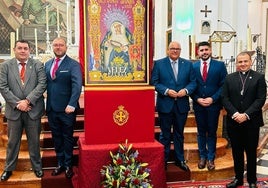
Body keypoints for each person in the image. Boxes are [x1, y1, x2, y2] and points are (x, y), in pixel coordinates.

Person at [0, 40, 47, 181]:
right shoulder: (5, 66)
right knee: (12, 142)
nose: (22, 51)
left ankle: (37, 167)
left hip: (33, 110)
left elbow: (42, 84)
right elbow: (3, 86)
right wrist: (18, 103)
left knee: (34, 141)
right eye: (19, 48)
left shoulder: (38, 64)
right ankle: (8, 168)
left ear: (29, 50)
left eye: (25, 48)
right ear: (14, 49)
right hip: (14, 112)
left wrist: (27, 101)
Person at [221, 52, 266, 188]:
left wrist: (245, 115)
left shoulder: (259, 77)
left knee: (251, 152)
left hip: (251, 122)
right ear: (237, 63)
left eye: (245, 61)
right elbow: (225, 98)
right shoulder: (229, 78)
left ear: (250, 61)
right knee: (236, 152)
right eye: (240, 62)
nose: (243, 64)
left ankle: (252, 180)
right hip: (234, 121)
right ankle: (238, 179)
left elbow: (260, 99)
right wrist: (235, 114)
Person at [151, 41, 196, 171]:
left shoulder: (188, 64)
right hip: (165, 104)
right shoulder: (159, 64)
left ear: (180, 50)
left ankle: (179, 159)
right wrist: (166, 91)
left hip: (181, 105)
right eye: (172, 48)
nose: (175, 51)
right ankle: (163, 161)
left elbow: (193, 82)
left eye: (177, 49)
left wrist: (186, 91)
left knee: (179, 134)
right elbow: (155, 82)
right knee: (165, 135)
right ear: (168, 50)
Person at [45, 37, 82, 179]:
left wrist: (72, 104)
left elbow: (77, 85)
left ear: (66, 47)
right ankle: (60, 163)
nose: (58, 47)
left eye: (61, 45)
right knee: (56, 138)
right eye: (55, 45)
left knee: (67, 138)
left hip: (67, 109)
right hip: (52, 109)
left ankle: (68, 165)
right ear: (52, 47)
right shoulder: (47, 64)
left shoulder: (73, 64)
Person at [191, 41, 227, 170]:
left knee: (211, 132)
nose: (204, 52)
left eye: (206, 49)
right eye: (201, 50)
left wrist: (213, 98)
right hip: (199, 105)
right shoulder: (193, 67)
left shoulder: (220, 66)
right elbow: (191, 86)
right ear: (198, 52)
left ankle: (211, 158)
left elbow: (224, 85)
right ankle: (202, 157)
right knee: (201, 132)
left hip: (213, 105)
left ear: (210, 51)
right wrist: (197, 98)